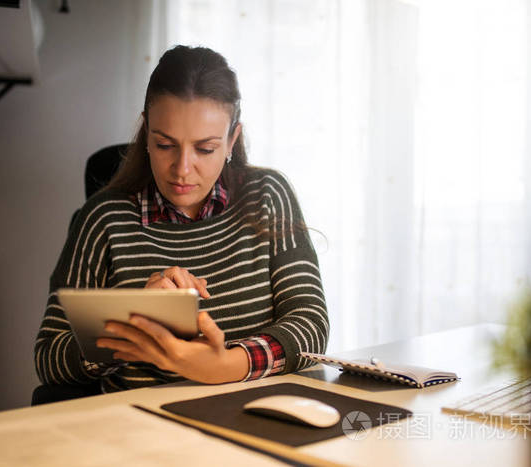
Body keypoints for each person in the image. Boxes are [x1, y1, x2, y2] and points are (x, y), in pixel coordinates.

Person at [34, 45, 328, 398]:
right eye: (164, 145)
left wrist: (228, 366)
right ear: (147, 133)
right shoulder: (103, 218)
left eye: (205, 149)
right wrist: (133, 318)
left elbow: (310, 322)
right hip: (142, 430)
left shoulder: (268, 195)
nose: (182, 169)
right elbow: (49, 357)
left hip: (256, 418)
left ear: (232, 140)